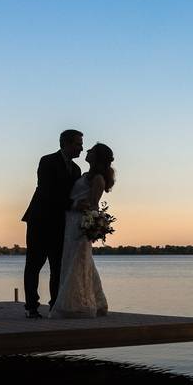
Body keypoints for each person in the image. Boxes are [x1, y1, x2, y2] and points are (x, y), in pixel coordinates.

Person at [22, 129, 84, 318]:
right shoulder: (47, 161)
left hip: (60, 224)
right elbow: (47, 191)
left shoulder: (76, 170)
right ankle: (32, 307)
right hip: (40, 220)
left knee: (57, 267)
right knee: (34, 264)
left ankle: (54, 305)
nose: (81, 148)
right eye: (78, 144)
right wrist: (72, 204)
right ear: (66, 144)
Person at [51, 143, 114, 318]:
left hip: (80, 222)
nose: (87, 151)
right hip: (70, 220)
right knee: (78, 260)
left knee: (77, 262)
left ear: (97, 157)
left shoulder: (98, 179)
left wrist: (89, 223)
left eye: (91, 151)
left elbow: (93, 205)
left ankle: (75, 305)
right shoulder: (84, 174)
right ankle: (97, 302)